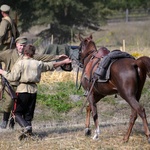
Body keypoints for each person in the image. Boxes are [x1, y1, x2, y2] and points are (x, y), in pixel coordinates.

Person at [0, 44, 72, 140]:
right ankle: (28, 136)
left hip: (22, 89)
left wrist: (2, 72)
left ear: (25, 52)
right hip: (33, 91)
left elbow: (12, 77)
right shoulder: (38, 63)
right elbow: (51, 66)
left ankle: (26, 127)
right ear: (33, 53)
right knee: (28, 115)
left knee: (16, 113)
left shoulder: (20, 63)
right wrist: (64, 61)